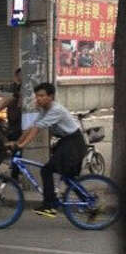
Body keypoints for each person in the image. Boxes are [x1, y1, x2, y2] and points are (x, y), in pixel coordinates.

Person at [7, 83, 86, 218]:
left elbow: (38, 128)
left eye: (42, 96)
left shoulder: (56, 110)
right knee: (68, 178)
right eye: (37, 96)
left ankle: (50, 205)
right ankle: (87, 201)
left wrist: (22, 145)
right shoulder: (45, 110)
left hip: (73, 142)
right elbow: (31, 127)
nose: (38, 99)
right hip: (66, 142)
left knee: (46, 170)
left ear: (51, 97)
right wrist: (18, 142)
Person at [0, 68, 23, 179]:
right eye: (18, 75)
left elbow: (15, 101)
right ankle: (16, 170)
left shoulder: (24, 88)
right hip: (13, 120)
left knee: (16, 147)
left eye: (22, 75)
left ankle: (15, 174)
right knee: (15, 148)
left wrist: (1, 107)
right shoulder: (15, 87)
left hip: (20, 122)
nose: (20, 77)